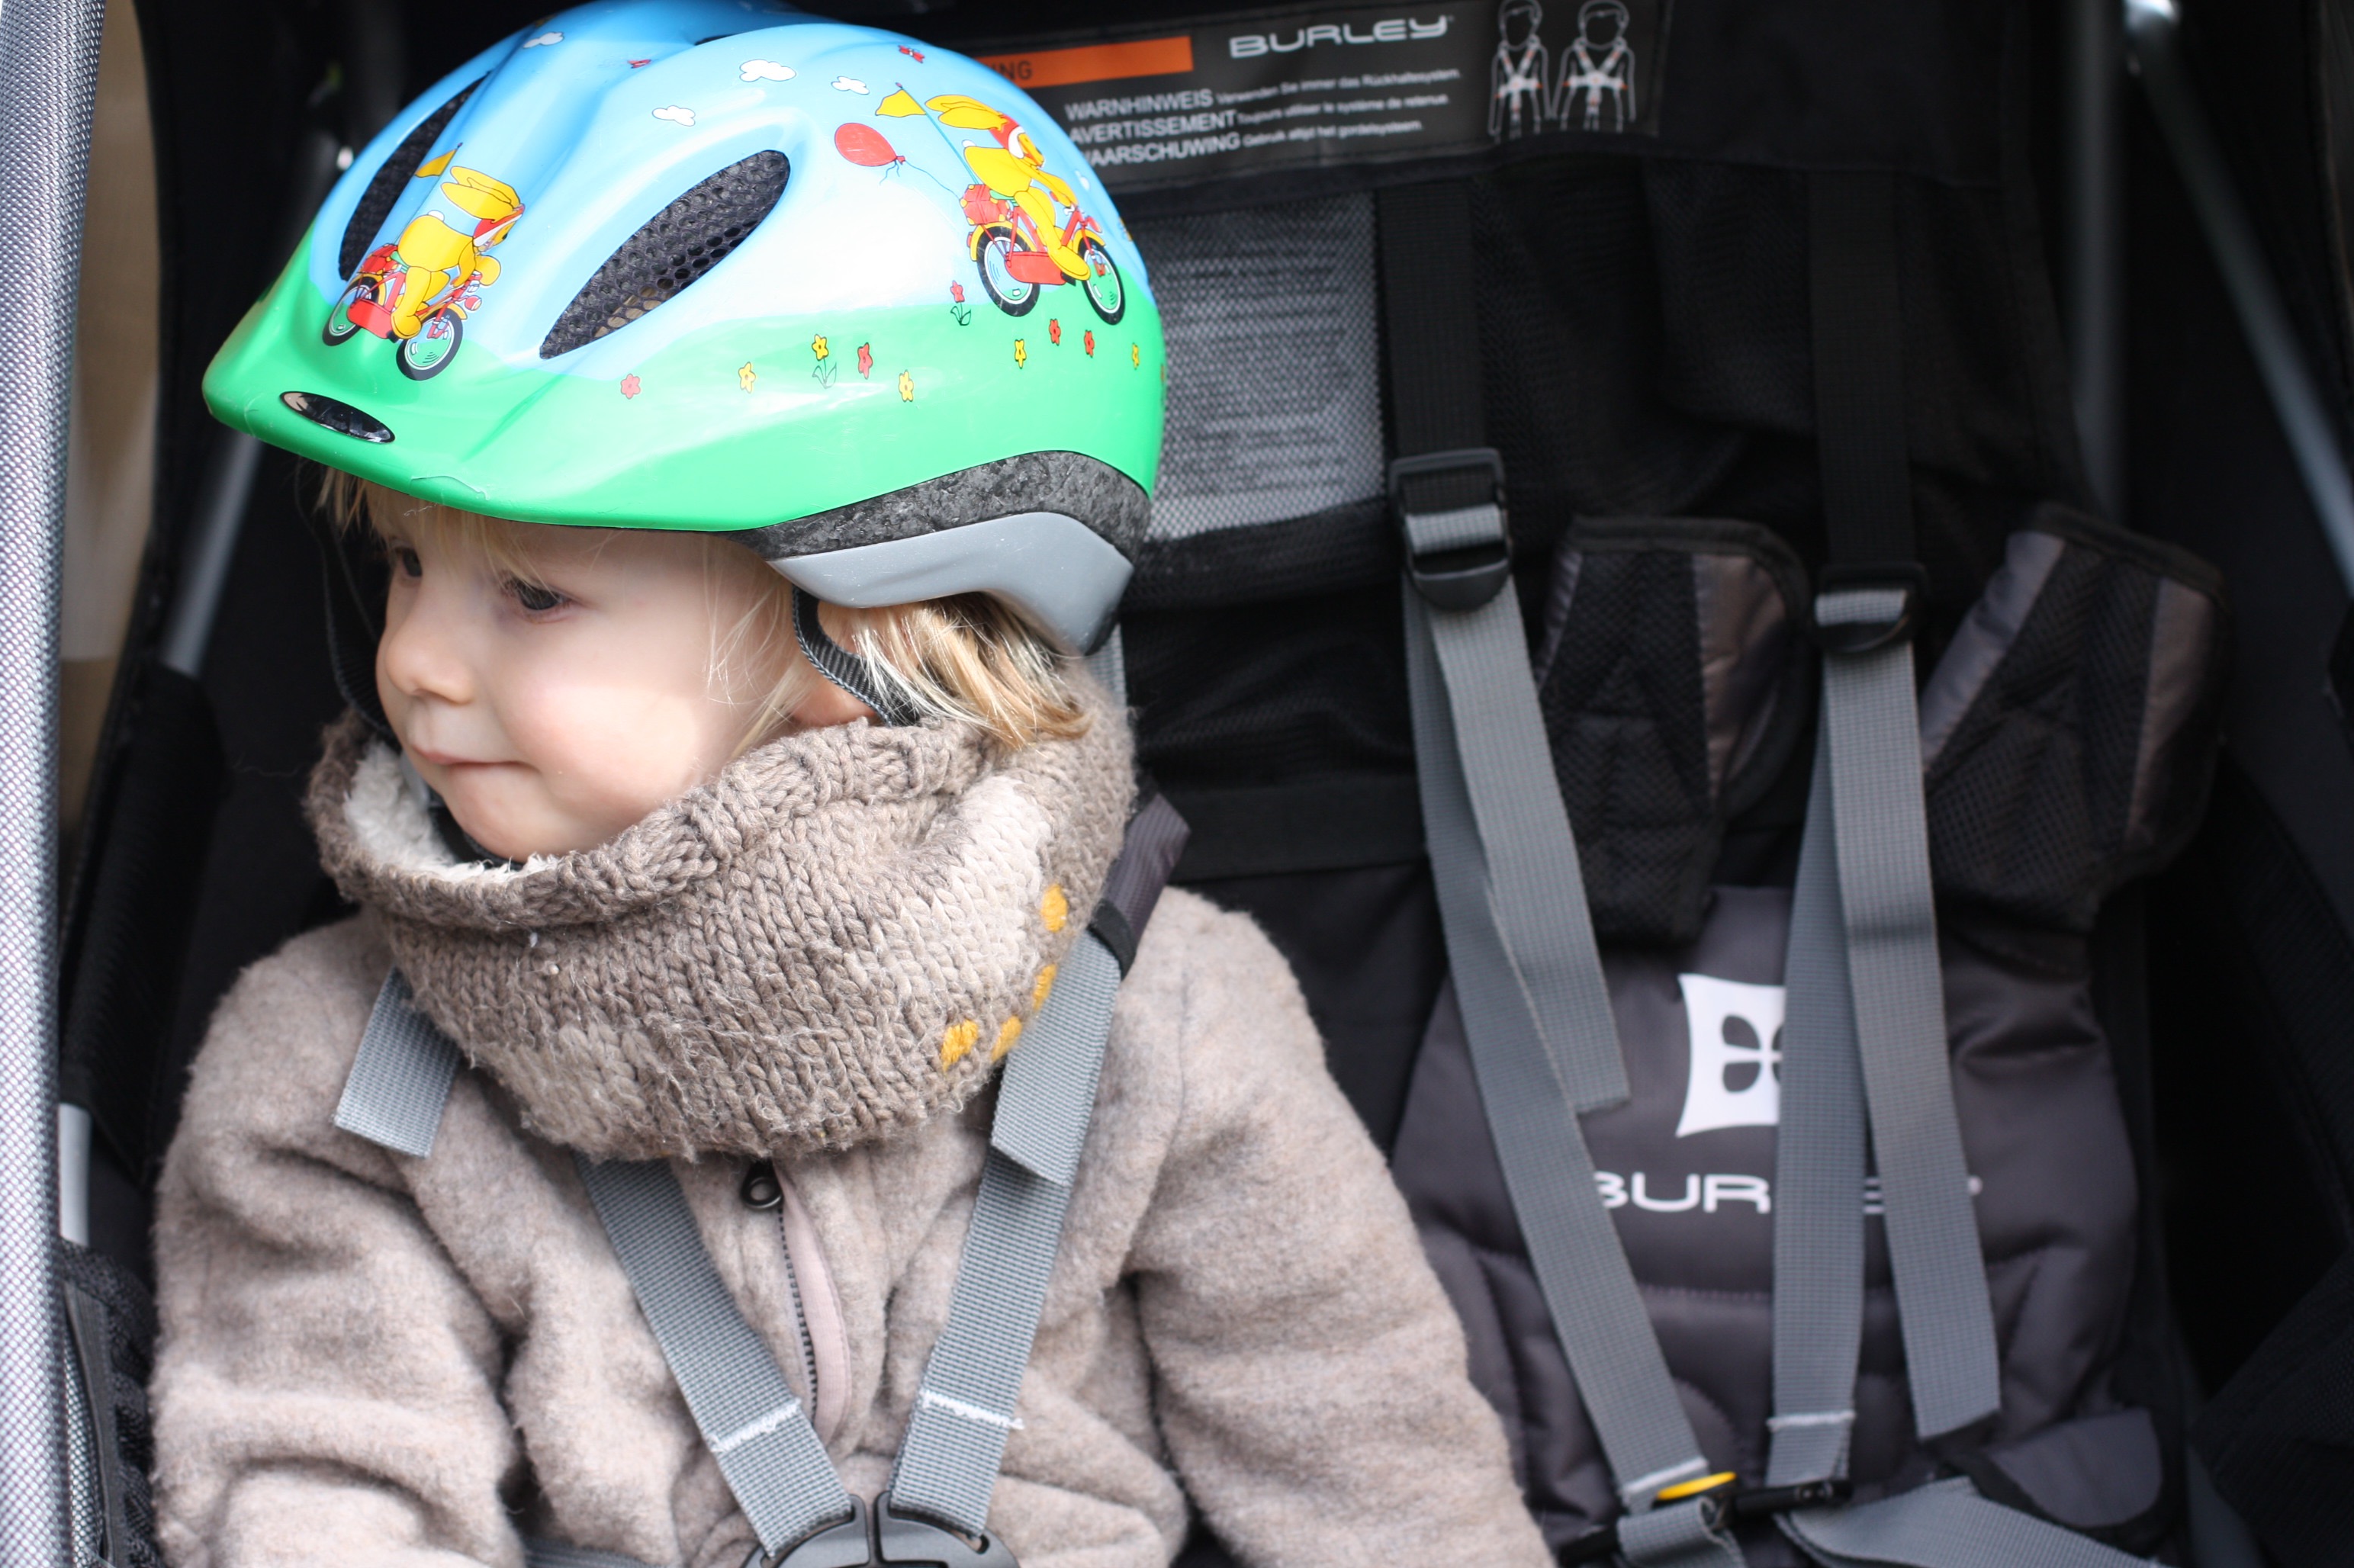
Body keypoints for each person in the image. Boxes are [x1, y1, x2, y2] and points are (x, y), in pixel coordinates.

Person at [148, 8, 1552, 1568]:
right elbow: (318, 1483)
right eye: (402, 567)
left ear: (875, 629)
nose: (412, 658)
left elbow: (1373, 1464)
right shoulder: (340, 1065)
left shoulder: (1162, 1015)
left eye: (530, 595)